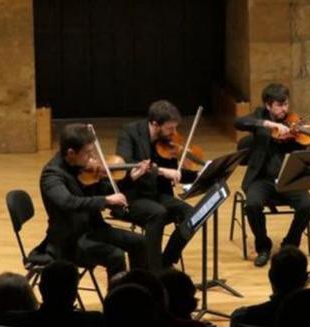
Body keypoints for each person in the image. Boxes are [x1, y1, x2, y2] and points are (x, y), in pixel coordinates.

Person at [40, 123, 148, 283]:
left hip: (93, 230)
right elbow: (68, 202)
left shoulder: (81, 168)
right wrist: (105, 201)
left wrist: (130, 179)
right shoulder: (52, 175)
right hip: (70, 241)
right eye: (88, 153)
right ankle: (117, 302)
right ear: (71, 153)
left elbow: (105, 190)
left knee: (140, 242)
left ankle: (139, 290)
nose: (93, 158)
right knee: (115, 255)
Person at [235, 83, 310, 267]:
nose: (284, 109)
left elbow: (307, 159)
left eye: (286, 104)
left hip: (288, 179)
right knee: (252, 205)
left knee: (308, 206)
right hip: (261, 179)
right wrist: (269, 124)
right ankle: (263, 246)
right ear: (268, 105)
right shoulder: (259, 116)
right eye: (279, 105)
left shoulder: (294, 124)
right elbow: (239, 122)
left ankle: (289, 244)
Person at [115, 100, 195, 271]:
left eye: (175, 128)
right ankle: (154, 269)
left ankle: (166, 260)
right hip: (132, 195)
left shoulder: (167, 142)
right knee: (158, 213)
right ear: (154, 124)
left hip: (157, 194)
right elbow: (127, 164)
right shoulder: (129, 133)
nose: (174, 133)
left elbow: (175, 173)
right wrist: (162, 171)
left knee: (192, 214)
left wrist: (199, 174)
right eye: (169, 128)